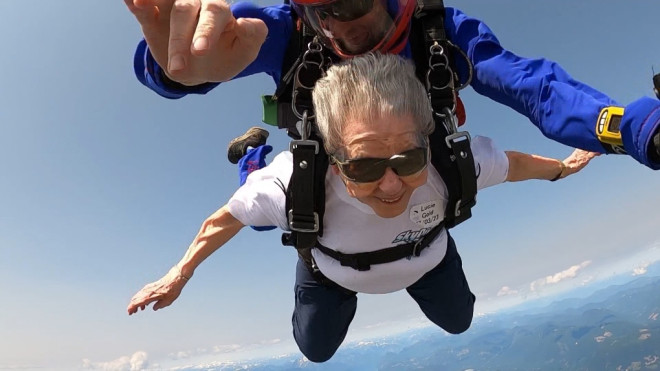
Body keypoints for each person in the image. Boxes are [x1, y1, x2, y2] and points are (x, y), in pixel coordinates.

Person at [127, 53, 598, 362]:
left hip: (424, 259)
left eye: (408, 160)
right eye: (364, 168)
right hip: (331, 269)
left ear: (425, 145)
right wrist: (179, 274)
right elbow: (223, 218)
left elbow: (512, 164)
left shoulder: (452, 162)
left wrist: (562, 168)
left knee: (460, 321)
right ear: (332, 160)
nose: (391, 184)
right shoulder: (291, 183)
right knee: (315, 348)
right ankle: (251, 156)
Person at [124, 0, 660, 169]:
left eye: (350, 0)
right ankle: (251, 156)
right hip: (334, 154)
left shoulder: (439, 29)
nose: (335, 24)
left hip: (406, 150)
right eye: (318, 8)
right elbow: (207, 44)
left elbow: (530, 86)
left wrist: (636, 128)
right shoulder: (289, 26)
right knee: (283, 217)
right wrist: (174, 70)